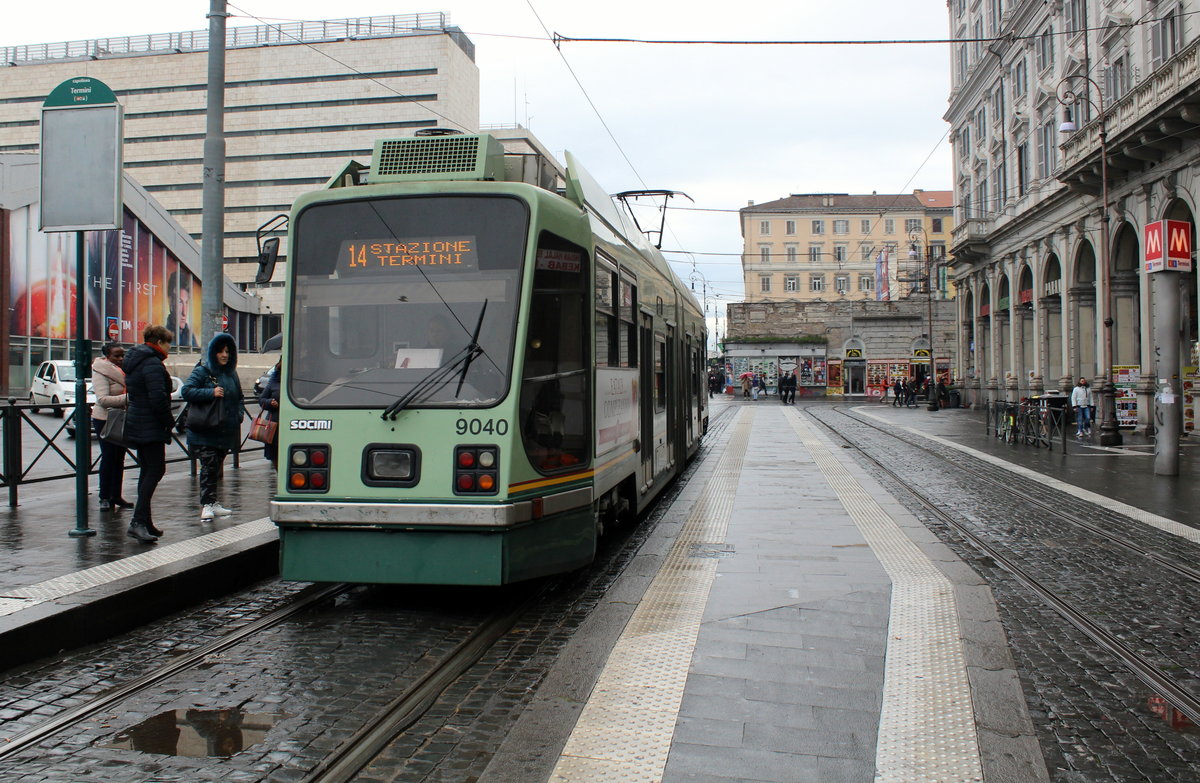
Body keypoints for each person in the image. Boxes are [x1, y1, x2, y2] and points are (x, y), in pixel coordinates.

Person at [182, 332, 245, 520]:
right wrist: (211, 392)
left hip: (224, 431)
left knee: (215, 467)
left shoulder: (232, 374)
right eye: (220, 351)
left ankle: (213, 502)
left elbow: (239, 398)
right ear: (213, 353)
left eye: (227, 351)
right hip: (205, 430)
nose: (224, 355)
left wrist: (239, 415)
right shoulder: (202, 371)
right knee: (208, 467)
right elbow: (187, 391)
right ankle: (207, 505)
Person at [122, 325, 176, 543]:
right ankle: (137, 522)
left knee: (147, 471)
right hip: (150, 424)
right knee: (155, 470)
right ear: (161, 342)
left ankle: (145, 520)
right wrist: (168, 422)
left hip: (138, 421)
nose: (169, 347)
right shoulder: (152, 363)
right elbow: (158, 398)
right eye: (168, 343)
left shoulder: (136, 360)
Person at [91, 343, 134, 512]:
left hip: (121, 417)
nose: (121, 358)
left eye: (122, 355)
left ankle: (116, 495)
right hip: (105, 418)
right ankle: (104, 497)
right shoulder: (101, 371)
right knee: (109, 457)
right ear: (107, 356)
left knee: (119, 458)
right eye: (117, 356)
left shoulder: (125, 370)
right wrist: (128, 398)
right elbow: (102, 399)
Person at [258, 360, 281, 468]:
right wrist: (270, 402)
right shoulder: (274, 381)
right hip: (274, 426)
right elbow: (262, 399)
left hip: (292, 424)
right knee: (275, 457)